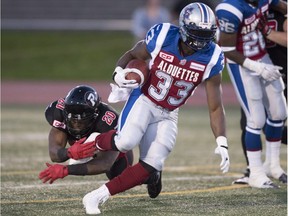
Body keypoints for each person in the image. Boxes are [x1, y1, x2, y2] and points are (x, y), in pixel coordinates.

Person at [82, 3, 230, 214]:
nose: (202, 40)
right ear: (185, 28)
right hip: (145, 98)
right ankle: (95, 139)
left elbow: (216, 106)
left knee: (151, 165)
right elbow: (133, 55)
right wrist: (118, 73)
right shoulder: (163, 36)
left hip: (169, 113)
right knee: (125, 141)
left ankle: (96, 196)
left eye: (207, 34)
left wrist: (222, 142)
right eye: (198, 33)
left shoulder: (213, 57)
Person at [215, 0, 287, 188]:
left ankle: (273, 165)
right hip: (242, 64)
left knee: (279, 112)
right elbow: (227, 49)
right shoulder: (230, 9)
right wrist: (257, 67)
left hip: (261, 55)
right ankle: (255, 173)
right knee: (255, 119)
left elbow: (282, 6)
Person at [38, 85, 134, 183]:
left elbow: (105, 163)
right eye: (72, 119)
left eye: (81, 121)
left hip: (114, 152)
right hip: (85, 149)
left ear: (95, 115)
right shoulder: (58, 111)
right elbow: (54, 155)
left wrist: (67, 170)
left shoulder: (108, 121)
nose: (76, 125)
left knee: (120, 178)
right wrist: (69, 152)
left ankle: (149, 175)